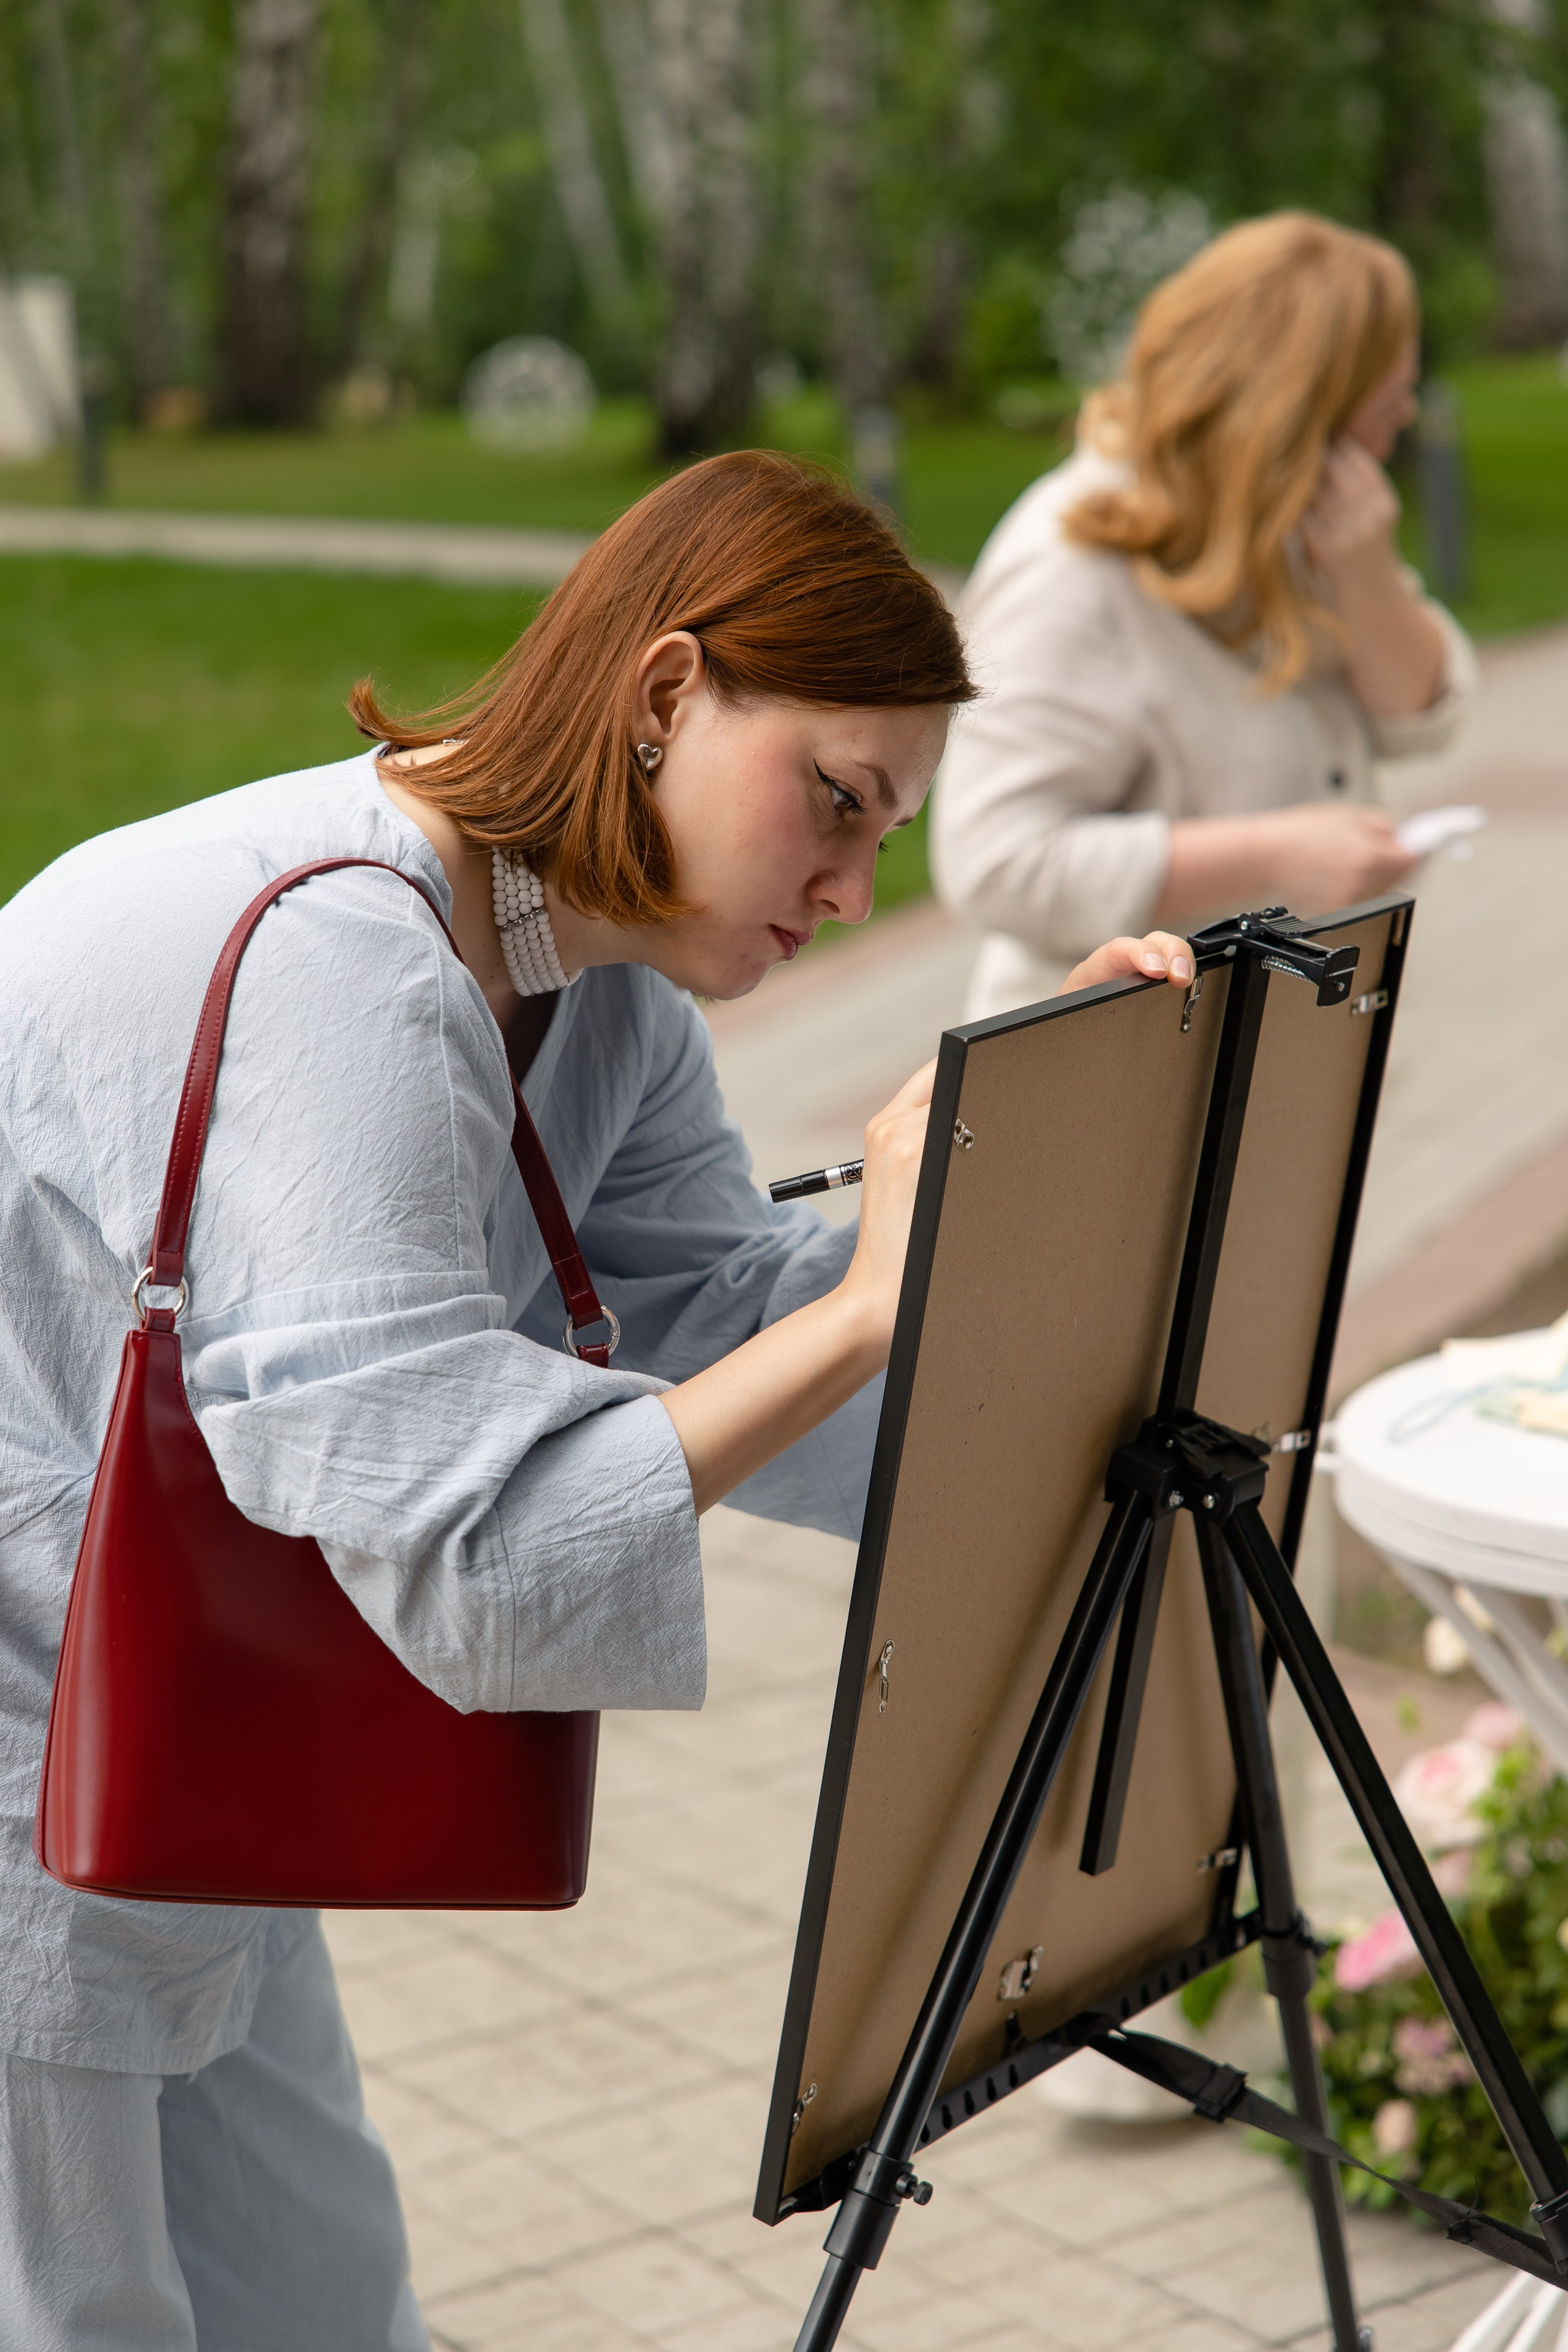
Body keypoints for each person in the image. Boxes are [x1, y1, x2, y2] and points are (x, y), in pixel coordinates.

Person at [0, 450, 1196, 2349]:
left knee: (320, 2309)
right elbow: (467, 1538)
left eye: (882, 832)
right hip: (40, 1744)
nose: (850, 880)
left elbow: (724, 1318)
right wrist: (886, 1300)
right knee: (88, 2322)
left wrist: (1062, 1204)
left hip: (155, 1735)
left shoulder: (599, 985)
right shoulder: (345, 962)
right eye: (835, 800)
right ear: (663, 696)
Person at [931, 211, 1477, 1019]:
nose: (1404, 416)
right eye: (1386, 398)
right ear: (1293, 417)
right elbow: (994, 863)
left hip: (1255, 1050)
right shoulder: (1068, 563)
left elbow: (1423, 717)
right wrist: (1276, 853)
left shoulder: (1293, 513)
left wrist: (1367, 577)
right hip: (1110, 1071)